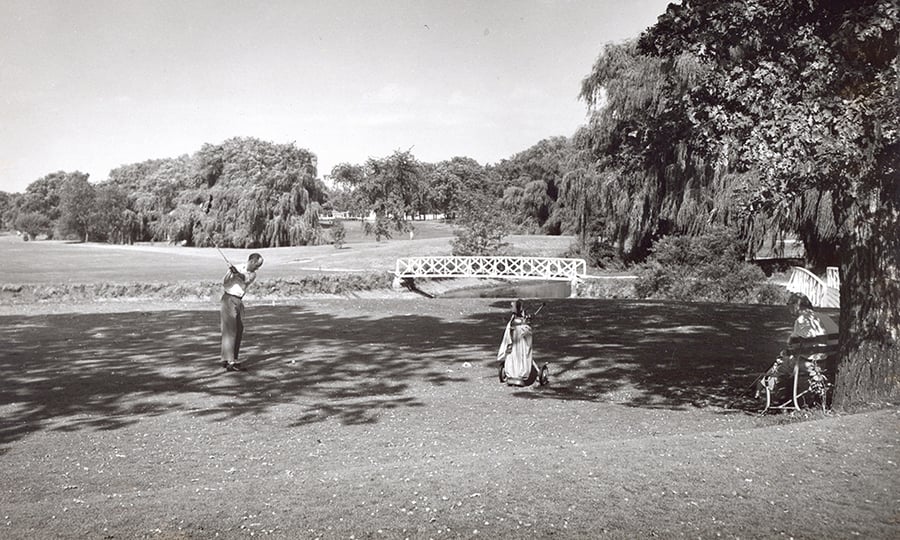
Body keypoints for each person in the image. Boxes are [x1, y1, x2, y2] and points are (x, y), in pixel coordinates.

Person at [758, 292, 838, 402]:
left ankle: (765, 393)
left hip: (812, 363)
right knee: (785, 360)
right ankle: (780, 394)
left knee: (779, 366)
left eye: (789, 304)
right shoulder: (824, 317)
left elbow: (796, 344)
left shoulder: (802, 320)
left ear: (796, 305)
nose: (789, 308)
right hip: (831, 362)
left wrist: (787, 352)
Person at [220, 253, 264, 371]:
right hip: (228, 299)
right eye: (257, 265)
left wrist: (237, 274)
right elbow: (224, 282)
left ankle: (230, 358)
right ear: (252, 261)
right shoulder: (237, 267)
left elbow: (245, 279)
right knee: (230, 329)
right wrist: (231, 274)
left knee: (238, 329)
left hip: (239, 301)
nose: (257, 268)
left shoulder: (253, 274)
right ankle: (230, 361)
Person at [497, 299, 534, 386]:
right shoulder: (517, 320)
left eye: (512, 306)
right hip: (515, 341)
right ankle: (516, 375)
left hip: (516, 342)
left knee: (517, 354)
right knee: (517, 355)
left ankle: (515, 375)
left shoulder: (515, 320)